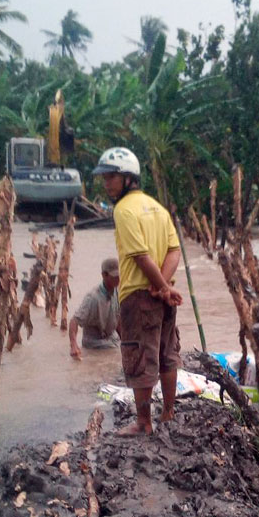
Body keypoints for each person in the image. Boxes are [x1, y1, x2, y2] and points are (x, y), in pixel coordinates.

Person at [93, 147, 183, 435]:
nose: (107, 184)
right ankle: (168, 413)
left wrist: (160, 288)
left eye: (112, 178)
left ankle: (144, 423)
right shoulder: (157, 207)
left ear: (129, 178)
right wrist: (166, 288)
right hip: (161, 294)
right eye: (105, 178)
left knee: (138, 355)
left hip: (139, 295)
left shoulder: (123, 210)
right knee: (167, 353)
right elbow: (174, 250)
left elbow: (141, 257)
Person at [68, 258, 121, 361]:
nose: (118, 279)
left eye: (119, 275)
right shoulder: (92, 297)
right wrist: (73, 345)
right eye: (115, 276)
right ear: (104, 275)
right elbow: (74, 321)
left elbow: (118, 319)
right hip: (95, 344)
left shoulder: (117, 292)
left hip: (113, 340)